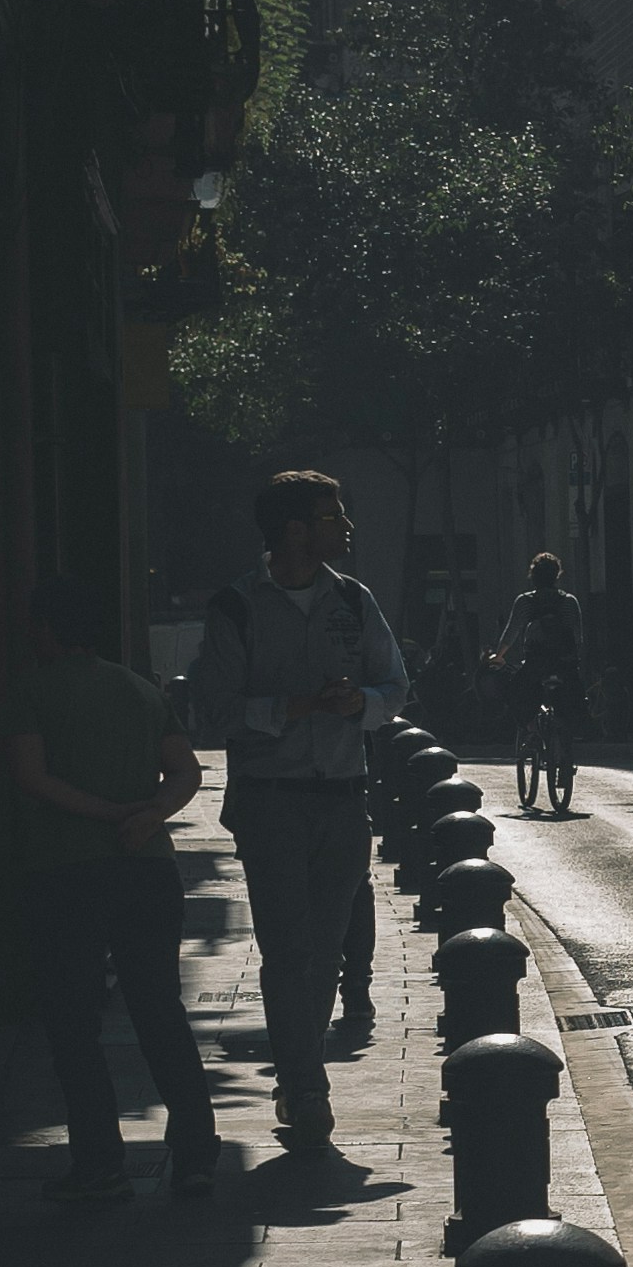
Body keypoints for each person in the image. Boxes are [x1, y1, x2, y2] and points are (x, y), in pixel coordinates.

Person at [193, 470, 407, 1155]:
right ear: (295, 530)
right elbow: (215, 710)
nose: (344, 527)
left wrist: (361, 704)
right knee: (289, 952)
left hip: (344, 799)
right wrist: (296, 708)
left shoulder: (354, 598)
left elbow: (395, 684)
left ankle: (299, 1076)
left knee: (327, 953)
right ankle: (307, 1086)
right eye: (331, 516)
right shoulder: (236, 606)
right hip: (272, 804)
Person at [5, 574, 218, 1201]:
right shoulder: (140, 690)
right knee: (160, 1012)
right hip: (148, 870)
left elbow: (31, 776)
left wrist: (103, 814)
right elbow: (186, 769)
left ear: (44, 628)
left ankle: (99, 1165)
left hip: (65, 873)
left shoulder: (30, 691)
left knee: (72, 1023)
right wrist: (149, 814)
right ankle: (198, 1157)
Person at [490, 551, 587, 749]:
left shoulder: (526, 601)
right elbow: (578, 637)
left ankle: (532, 729)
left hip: (536, 664)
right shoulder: (569, 602)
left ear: (533, 576)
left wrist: (498, 656)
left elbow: (511, 632)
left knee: (515, 692)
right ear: (557, 576)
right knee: (575, 696)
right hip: (564, 664)